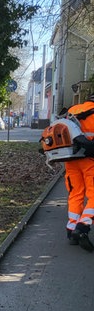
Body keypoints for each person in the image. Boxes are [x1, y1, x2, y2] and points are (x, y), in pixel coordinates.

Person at [64, 97, 94, 251]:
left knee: (75, 194)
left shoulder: (73, 110)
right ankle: (83, 226)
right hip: (90, 161)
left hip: (71, 159)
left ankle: (71, 229)